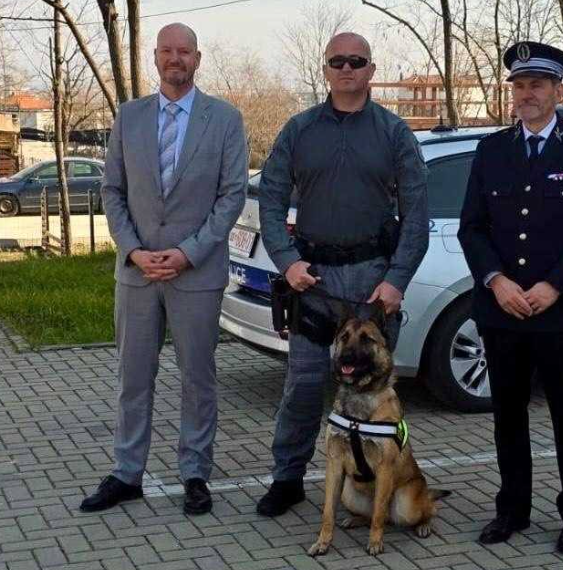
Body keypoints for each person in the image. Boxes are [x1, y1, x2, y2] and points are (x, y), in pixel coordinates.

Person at [256, 32, 428, 517]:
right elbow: (270, 199)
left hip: (374, 282)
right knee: (304, 385)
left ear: (371, 69)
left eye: (356, 61)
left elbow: (417, 215)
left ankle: (378, 483)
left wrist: (397, 279)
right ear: (326, 69)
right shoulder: (299, 130)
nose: (347, 68)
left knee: (375, 394)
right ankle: (287, 478)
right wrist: (287, 261)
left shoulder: (395, 133)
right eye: (338, 61)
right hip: (314, 283)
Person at [457, 41, 563, 552]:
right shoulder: (492, 150)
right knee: (508, 417)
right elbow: (472, 228)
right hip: (502, 311)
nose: (527, 93)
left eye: (538, 85)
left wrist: (555, 285)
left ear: (558, 92)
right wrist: (496, 281)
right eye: (520, 85)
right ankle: (512, 510)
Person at [80, 23, 247, 516]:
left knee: (198, 378)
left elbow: (231, 195)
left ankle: (195, 473)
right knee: (133, 377)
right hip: (137, 272)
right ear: (155, 57)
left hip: (195, 273)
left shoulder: (225, 119)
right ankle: (126, 472)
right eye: (167, 51)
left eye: (185, 51)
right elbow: (112, 191)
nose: (176, 59)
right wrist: (133, 250)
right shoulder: (129, 117)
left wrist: (187, 252)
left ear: (198, 58)